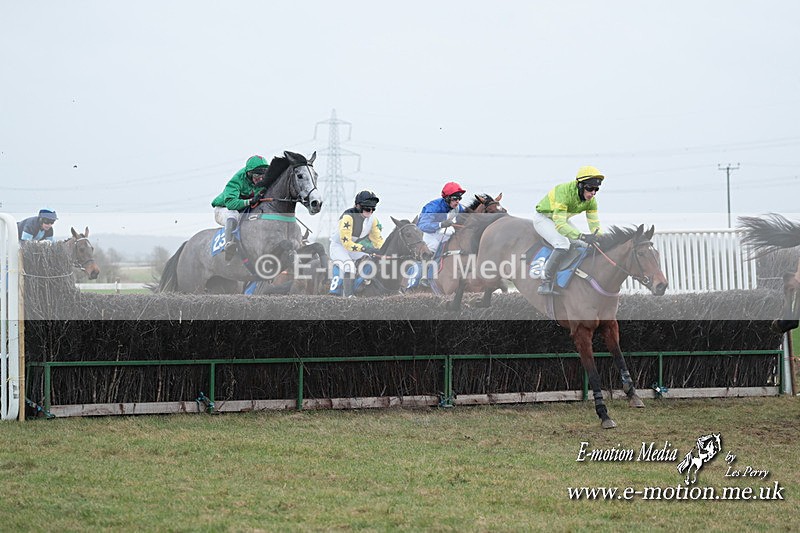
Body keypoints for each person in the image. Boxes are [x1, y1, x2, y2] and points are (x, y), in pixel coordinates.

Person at [533, 165, 604, 296]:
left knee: (585, 245)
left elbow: (594, 224)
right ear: (580, 185)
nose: (593, 193)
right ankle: (546, 281)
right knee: (563, 244)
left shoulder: (591, 201)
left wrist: (600, 238)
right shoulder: (564, 192)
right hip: (543, 219)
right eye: (590, 188)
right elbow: (560, 225)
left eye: (596, 189)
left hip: (561, 218)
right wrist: (582, 236)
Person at [211, 155, 270, 261]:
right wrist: (250, 201)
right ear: (249, 173)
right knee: (233, 214)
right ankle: (229, 244)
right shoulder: (236, 181)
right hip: (224, 209)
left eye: (263, 175)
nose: (261, 179)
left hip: (244, 209)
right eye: (257, 175)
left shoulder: (264, 179)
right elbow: (231, 204)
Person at [329, 190, 384, 297]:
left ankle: (359, 284)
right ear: (358, 206)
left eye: (373, 209)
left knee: (370, 259)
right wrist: (365, 248)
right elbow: (346, 244)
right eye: (367, 209)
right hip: (339, 247)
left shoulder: (373, 220)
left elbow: (377, 240)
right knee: (349, 266)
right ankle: (349, 296)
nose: (370, 212)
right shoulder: (348, 217)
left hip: (353, 248)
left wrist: (383, 251)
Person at [416, 181, 467, 256]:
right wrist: (440, 224)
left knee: (453, 239)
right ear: (447, 198)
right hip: (426, 234)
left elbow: (464, 220)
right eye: (455, 198)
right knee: (434, 246)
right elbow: (422, 226)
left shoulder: (458, 207)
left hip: (439, 233)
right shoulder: (433, 207)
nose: (457, 201)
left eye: (459, 198)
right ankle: (422, 266)